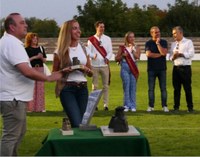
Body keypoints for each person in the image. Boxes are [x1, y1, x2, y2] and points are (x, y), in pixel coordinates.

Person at [0, 13, 62, 156]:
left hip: (14, 97)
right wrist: (49, 78)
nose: (26, 25)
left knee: (18, 134)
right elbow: (26, 71)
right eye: (22, 23)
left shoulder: (8, 42)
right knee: (11, 137)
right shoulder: (11, 43)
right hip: (13, 98)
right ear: (12, 27)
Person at [52, 19, 93, 128]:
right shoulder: (59, 51)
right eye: (75, 28)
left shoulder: (84, 48)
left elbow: (91, 73)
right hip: (67, 89)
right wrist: (64, 71)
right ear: (67, 32)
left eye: (78, 28)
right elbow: (53, 74)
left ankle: (69, 132)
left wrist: (86, 70)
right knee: (76, 122)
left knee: (83, 124)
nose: (78, 31)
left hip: (83, 89)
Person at [87, 21, 113, 111]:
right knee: (95, 86)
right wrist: (92, 55)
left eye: (103, 27)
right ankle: (95, 105)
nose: (102, 28)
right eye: (101, 27)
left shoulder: (108, 39)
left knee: (106, 86)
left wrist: (107, 58)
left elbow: (110, 51)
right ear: (96, 28)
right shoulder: (91, 40)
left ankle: (106, 104)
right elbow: (88, 51)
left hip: (104, 65)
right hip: (94, 65)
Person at [170, 26, 194, 112]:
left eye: (175, 33)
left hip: (185, 68)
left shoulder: (188, 42)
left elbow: (191, 54)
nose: (174, 35)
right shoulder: (173, 44)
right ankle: (176, 107)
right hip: (176, 68)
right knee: (176, 89)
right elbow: (170, 57)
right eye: (173, 34)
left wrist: (181, 54)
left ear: (181, 33)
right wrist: (173, 57)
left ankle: (190, 107)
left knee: (187, 88)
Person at [145, 26, 169, 112]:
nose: (158, 33)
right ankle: (151, 106)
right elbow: (148, 54)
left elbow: (164, 53)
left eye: (158, 32)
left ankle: (164, 106)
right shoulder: (148, 43)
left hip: (162, 69)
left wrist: (158, 44)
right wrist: (160, 54)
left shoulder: (164, 42)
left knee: (163, 88)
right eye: (156, 32)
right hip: (151, 69)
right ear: (151, 33)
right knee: (151, 89)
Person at [115, 32, 141, 112]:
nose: (132, 39)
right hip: (125, 67)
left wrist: (133, 51)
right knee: (126, 86)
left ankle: (133, 105)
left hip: (133, 67)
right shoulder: (122, 47)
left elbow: (138, 57)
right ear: (127, 38)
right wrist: (122, 55)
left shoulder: (136, 47)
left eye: (133, 37)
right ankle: (126, 105)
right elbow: (116, 58)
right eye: (130, 37)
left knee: (133, 87)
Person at [25, 32, 47, 112]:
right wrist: (35, 57)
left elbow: (44, 60)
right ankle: (30, 108)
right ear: (29, 39)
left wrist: (41, 58)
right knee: (31, 88)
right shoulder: (26, 49)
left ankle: (40, 107)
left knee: (40, 88)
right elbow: (26, 61)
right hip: (31, 69)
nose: (35, 40)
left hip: (40, 69)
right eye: (33, 38)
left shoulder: (41, 48)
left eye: (36, 38)